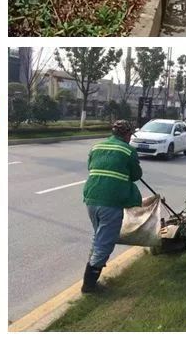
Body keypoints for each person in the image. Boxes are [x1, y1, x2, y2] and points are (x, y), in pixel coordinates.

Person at [81, 120, 142, 293]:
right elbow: (136, 175)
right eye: (130, 135)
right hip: (111, 202)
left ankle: (90, 276)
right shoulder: (128, 150)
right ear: (127, 135)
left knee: (99, 237)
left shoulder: (96, 146)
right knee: (104, 243)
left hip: (91, 198)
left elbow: (91, 166)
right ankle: (89, 286)